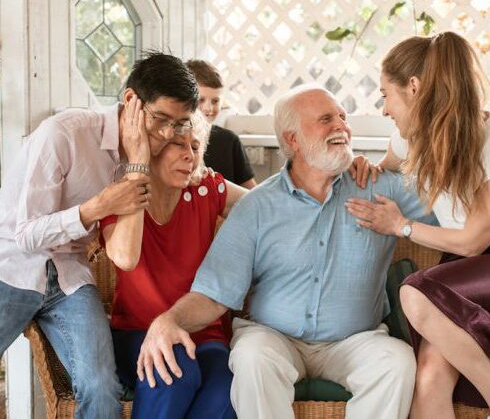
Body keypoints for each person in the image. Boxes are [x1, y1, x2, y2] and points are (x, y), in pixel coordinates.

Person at [129, 84, 439, 419]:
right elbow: (215, 293)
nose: (341, 126)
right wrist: (169, 320)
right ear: (292, 140)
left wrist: (405, 218)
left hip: (355, 340)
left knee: (396, 361)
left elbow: (453, 210)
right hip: (275, 339)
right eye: (325, 119)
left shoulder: (379, 188)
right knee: (251, 356)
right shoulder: (258, 206)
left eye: (342, 118)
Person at [0, 51, 199, 418]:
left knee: (100, 388)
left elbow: (207, 180)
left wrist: (139, 161)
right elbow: (26, 235)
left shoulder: (150, 157)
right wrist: (96, 208)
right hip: (12, 265)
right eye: (160, 120)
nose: (168, 134)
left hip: (69, 278)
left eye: (180, 124)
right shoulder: (65, 133)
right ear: (130, 101)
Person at [345, 31, 490, 416]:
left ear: (413, 88)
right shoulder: (410, 141)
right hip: (460, 271)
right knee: (428, 378)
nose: (384, 108)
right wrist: (362, 165)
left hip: (480, 263)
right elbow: (385, 164)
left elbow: (475, 241)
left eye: (385, 95)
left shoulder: (485, 138)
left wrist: (401, 226)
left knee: (415, 293)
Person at [101, 108, 246, 418]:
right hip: (136, 332)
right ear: (154, 148)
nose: (189, 156)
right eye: (179, 145)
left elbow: (264, 205)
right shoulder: (122, 196)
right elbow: (124, 257)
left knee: (227, 393)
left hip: (205, 335)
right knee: (174, 370)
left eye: (195, 147)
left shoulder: (207, 189)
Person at [185, 59, 257, 189]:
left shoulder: (230, 141)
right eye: (200, 100)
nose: (208, 108)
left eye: (215, 101)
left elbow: (251, 192)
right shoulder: (175, 140)